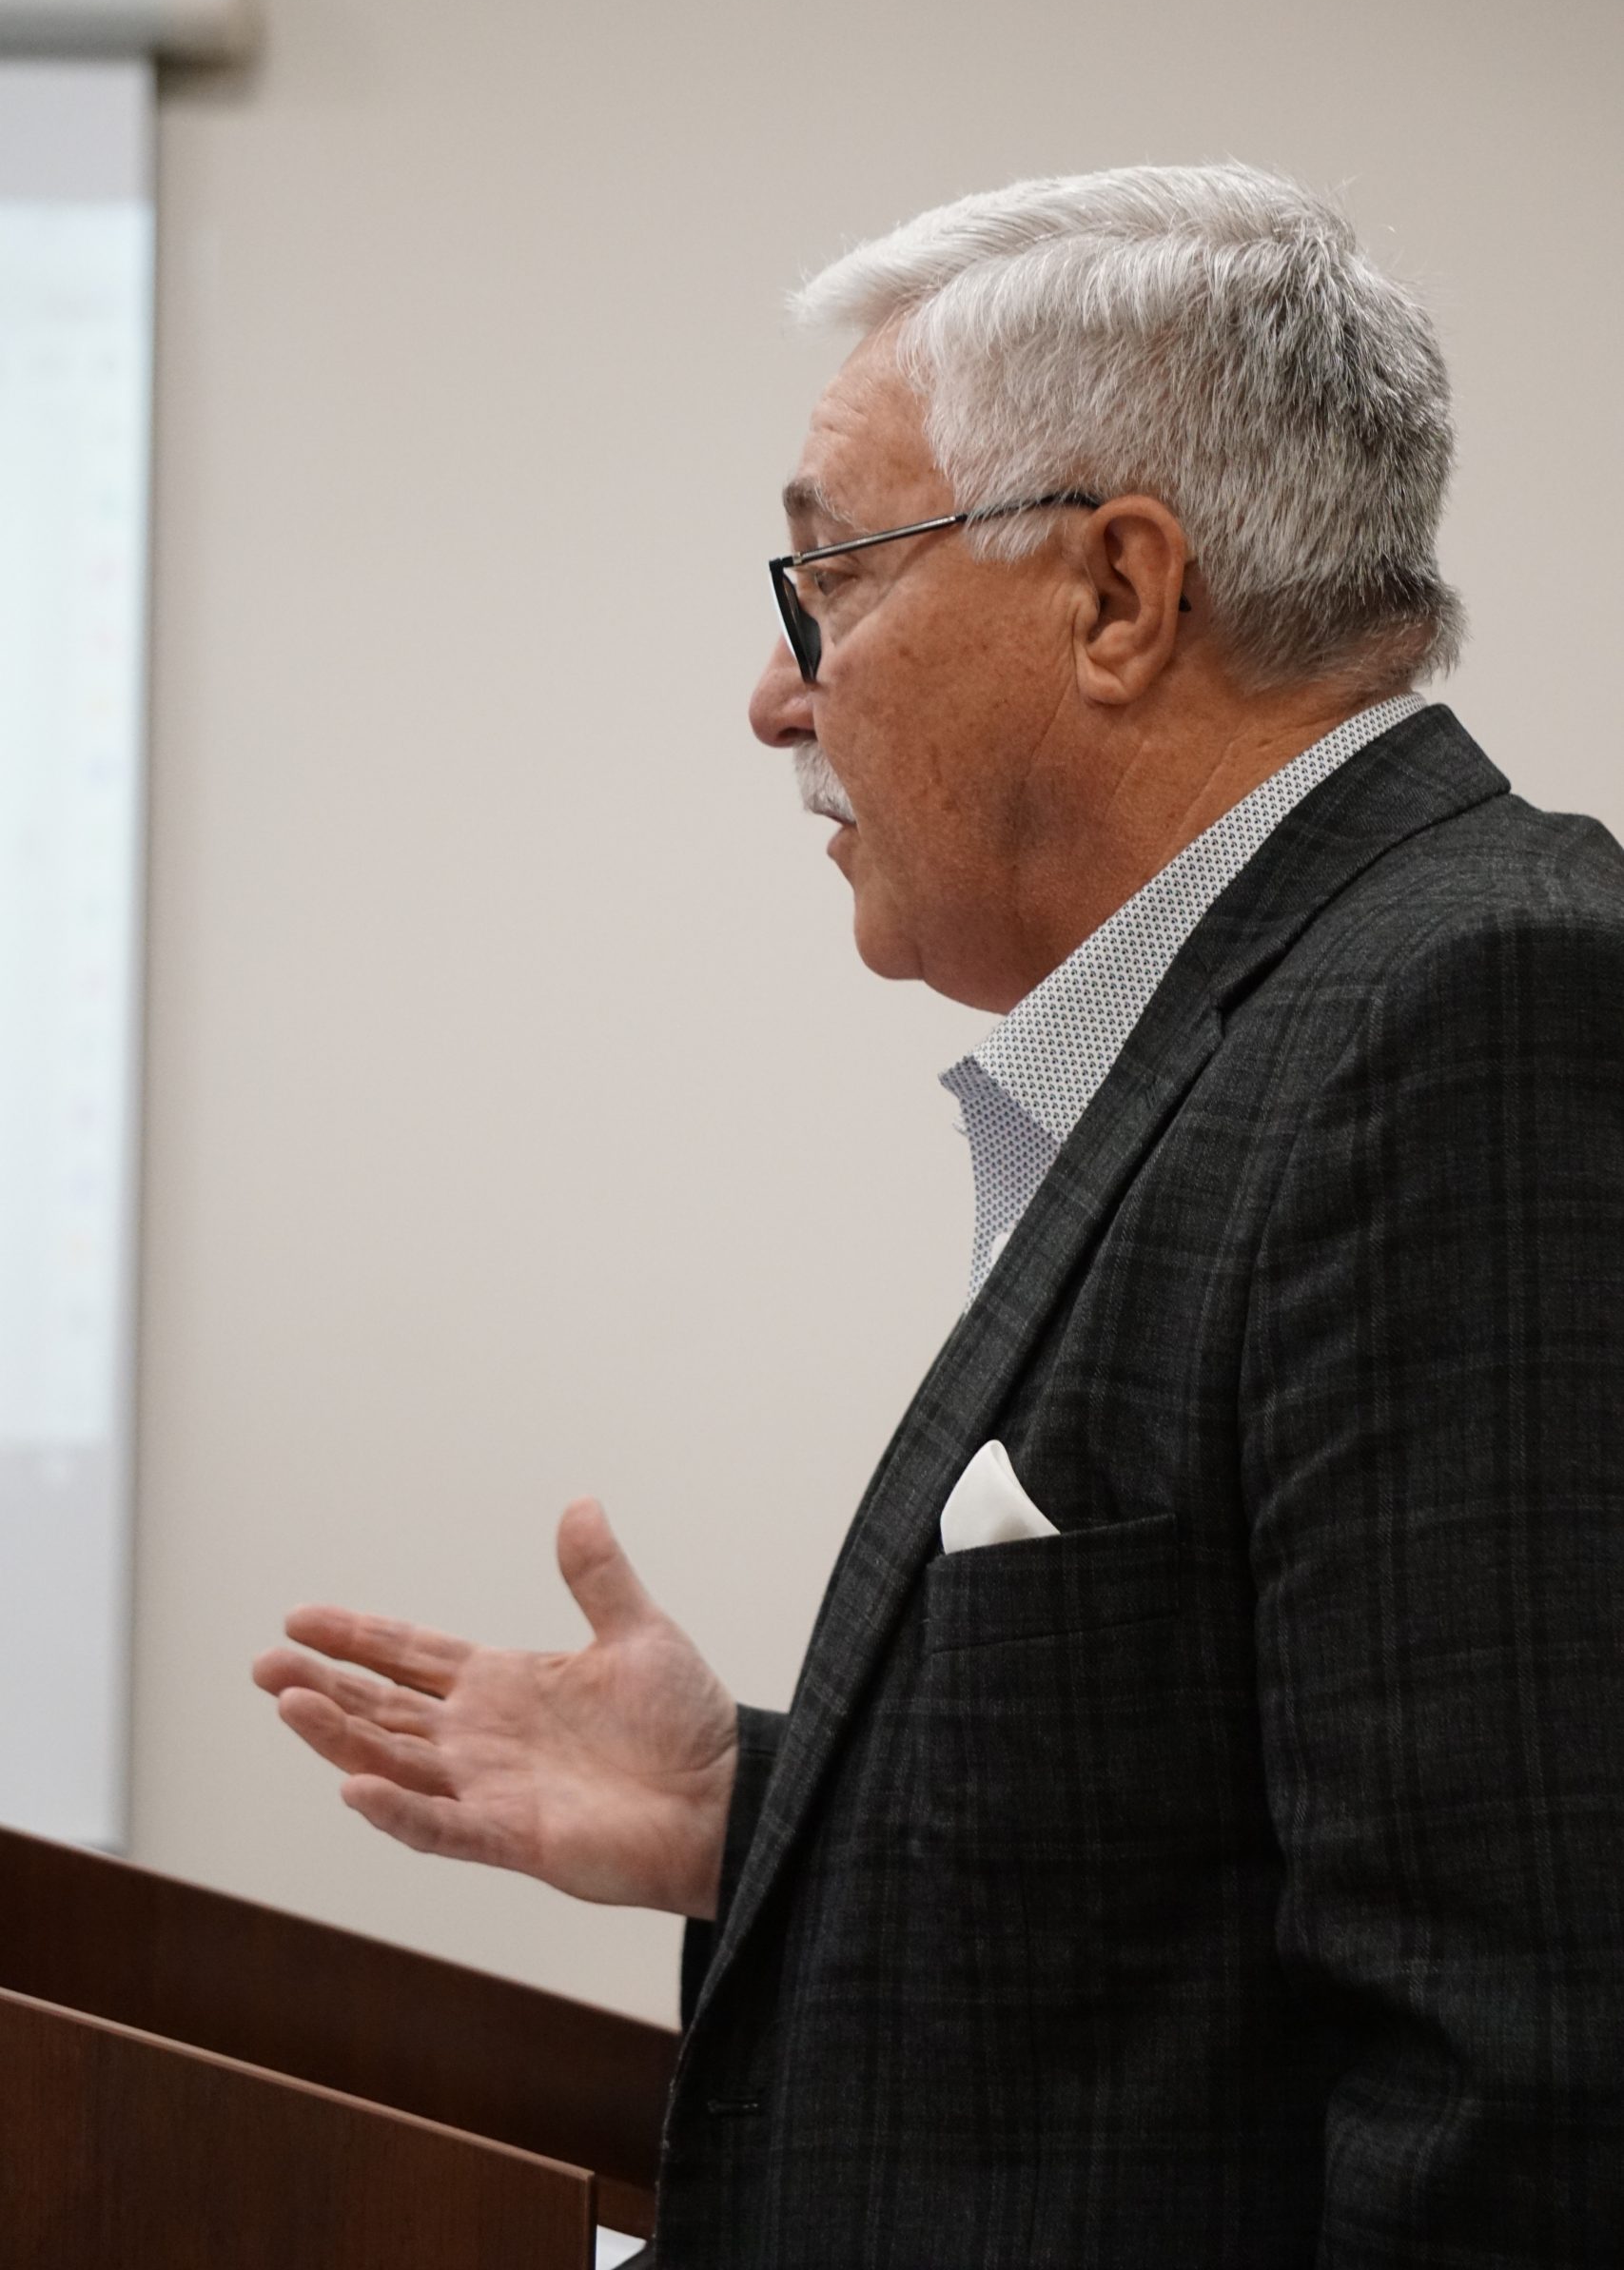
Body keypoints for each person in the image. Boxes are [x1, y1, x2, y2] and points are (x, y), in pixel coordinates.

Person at [254, 166, 1624, 2265]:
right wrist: (758, 1811)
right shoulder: (1306, 1008)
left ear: (1116, 596)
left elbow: (1524, 2072)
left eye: (828, 579)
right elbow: (1230, 1867)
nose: (776, 693)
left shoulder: (1473, 1013)